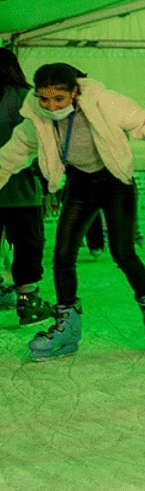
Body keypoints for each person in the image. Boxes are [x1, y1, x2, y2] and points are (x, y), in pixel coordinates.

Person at [0, 64, 145, 359]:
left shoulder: (104, 102)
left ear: (74, 92)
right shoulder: (36, 119)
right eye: (43, 99)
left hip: (115, 182)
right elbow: (10, 155)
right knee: (63, 255)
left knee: (122, 252)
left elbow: (143, 121)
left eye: (58, 99)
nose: (50, 106)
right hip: (80, 184)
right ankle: (67, 326)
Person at [0, 49, 53, 327]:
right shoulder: (27, 99)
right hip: (21, 190)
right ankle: (27, 301)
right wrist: (48, 185)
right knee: (27, 245)